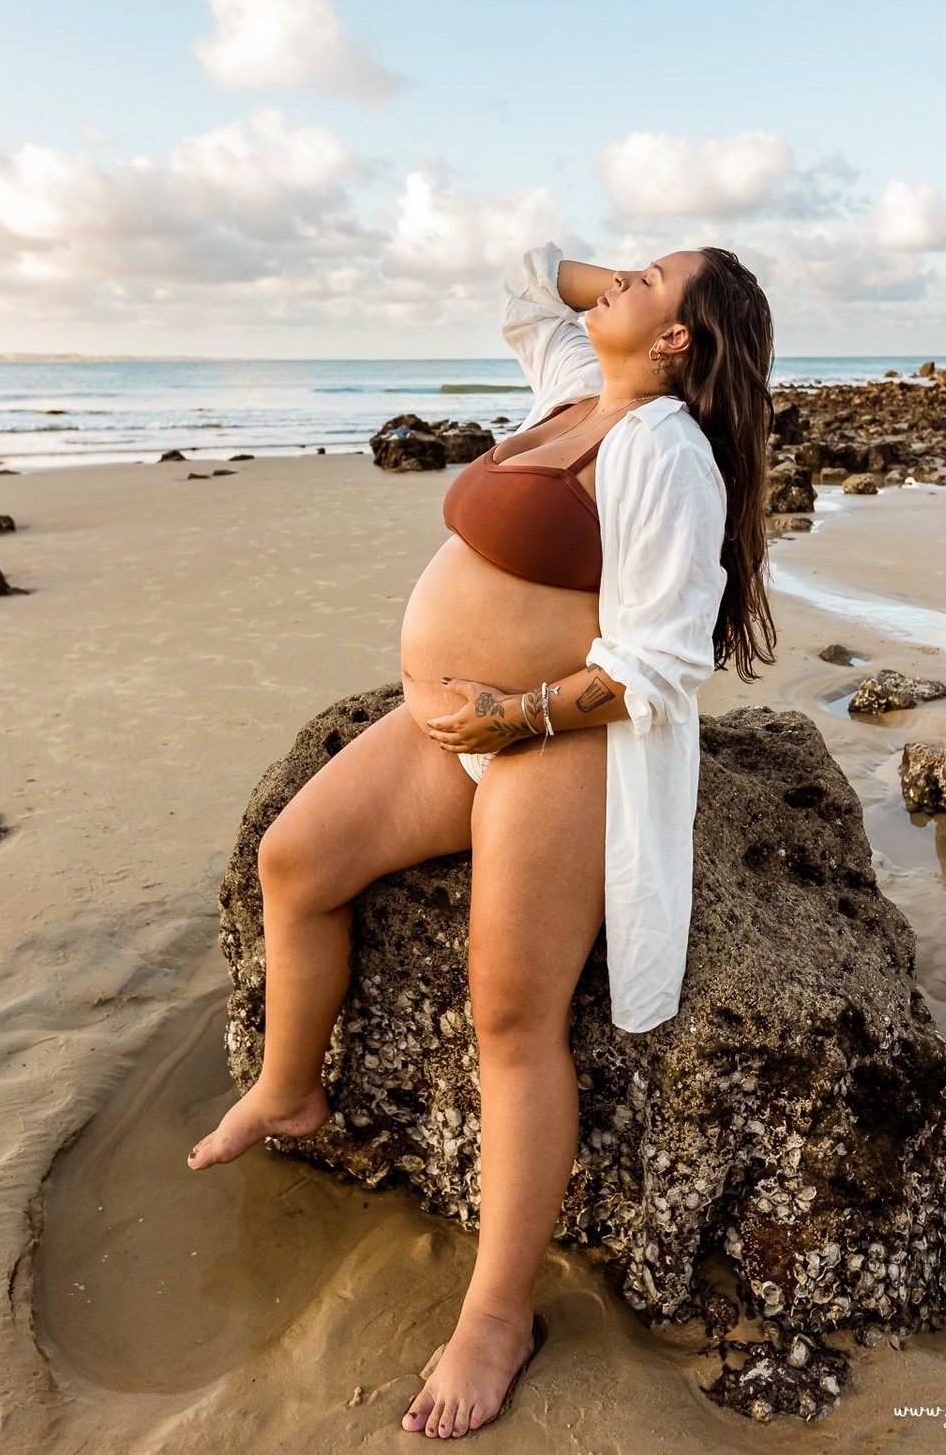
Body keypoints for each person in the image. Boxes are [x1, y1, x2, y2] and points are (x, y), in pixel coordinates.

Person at [186, 241, 778, 1439]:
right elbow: (523, 272)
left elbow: (661, 659)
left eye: (651, 280)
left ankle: (498, 1313)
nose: (617, 276)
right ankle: (291, 1088)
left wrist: (517, 715)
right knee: (294, 864)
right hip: (446, 726)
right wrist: (638, 284)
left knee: (509, 1015)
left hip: (552, 740)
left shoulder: (664, 449)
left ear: (681, 345)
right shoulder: (570, 395)